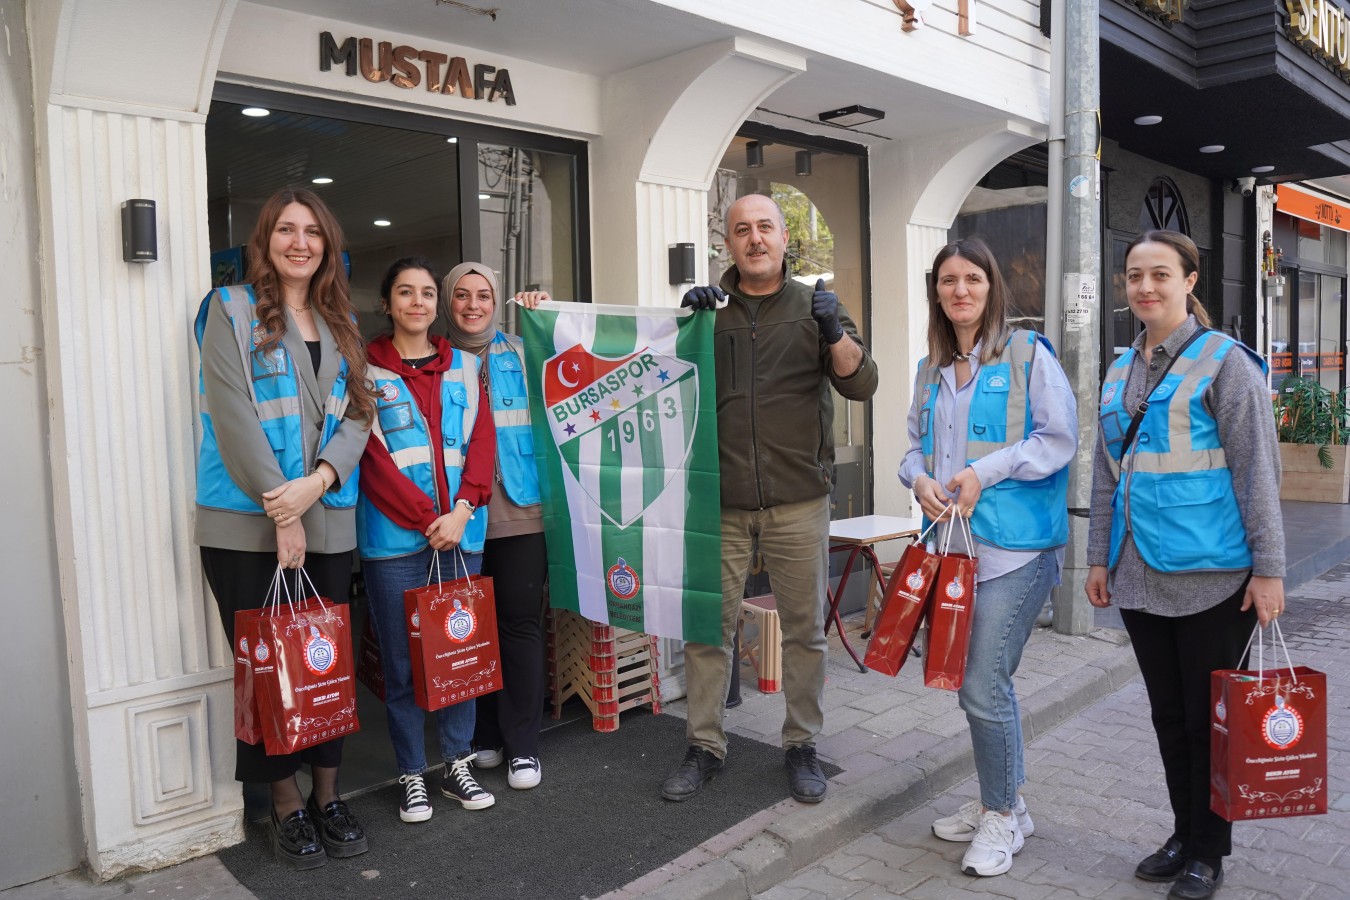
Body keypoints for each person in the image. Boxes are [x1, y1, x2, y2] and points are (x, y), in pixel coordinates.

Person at [1086, 230, 1285, 900]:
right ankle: (1182, 831)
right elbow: (1106, 474)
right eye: (1134, 276)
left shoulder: (1226, 364)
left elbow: (1260, 471)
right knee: (1169, 717)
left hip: (1213, 578)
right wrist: (1097, 558)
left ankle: (1210, 849)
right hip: (1140, 576)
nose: (1145, 287)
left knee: (1212, 722)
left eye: (1160, 275)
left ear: (1190, 280)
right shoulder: (1121, 368)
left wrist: (1269, 570)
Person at [664, 193, 879, 804]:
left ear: (786, 239)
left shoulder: (816, 307)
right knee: (710, 630)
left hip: (798, 501)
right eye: (741, 231)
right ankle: (704, 746)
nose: (754, 239)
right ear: (726, 244)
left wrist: (834, 329)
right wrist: (685, 327)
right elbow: (667, 389)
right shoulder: (709, 313)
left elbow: (861, 382)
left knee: (807, 631)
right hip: (721, 503)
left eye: (765, 228)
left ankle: (801, 744)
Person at [194, 187, 374, 868]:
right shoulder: (229, 310)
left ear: (328, 246)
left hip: (327, 518)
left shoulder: (341, 320)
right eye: (286, 230)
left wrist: (319, 484)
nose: (300, 242)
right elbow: (234, 414)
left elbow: (361, 412)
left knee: (326, 665)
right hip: (245, 525)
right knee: (269, 669)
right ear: (264, 240)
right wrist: (283, 511)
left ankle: (329, 794)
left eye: (313, 233)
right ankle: (286, 804)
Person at [897, 237, 1077, 877]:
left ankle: (1001, 816)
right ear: (936, 292)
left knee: (980, 685)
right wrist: (916, 479)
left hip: (1016, 553)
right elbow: (914, 448)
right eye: (948, 280)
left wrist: (984, 471)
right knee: (977, 685)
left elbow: (1058, 439)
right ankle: (1005, 803)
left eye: (972, 278)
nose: (960, 290)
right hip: (953, 551)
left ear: (991, 286)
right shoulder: (929, 368)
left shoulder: (1028, 353)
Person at [356, 256, 498, 822]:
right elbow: (369, 458)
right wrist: (426, 518)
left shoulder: (465, 366)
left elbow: (481, 443)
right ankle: (412, 772)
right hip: (396, 542)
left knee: (459, 655)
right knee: (403, 664)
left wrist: (462, 510)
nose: (417, 302)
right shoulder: (361, 370)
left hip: (463, 534)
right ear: (387, 303)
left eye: (426, 294)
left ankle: (456, 764)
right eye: (405, 293)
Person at [441, 262, 550, 791]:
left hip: (523, 509)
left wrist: (544, 319)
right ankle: (482, 733)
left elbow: (568, 369)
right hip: (462, 516)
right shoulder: (436, 358)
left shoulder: (521, 348)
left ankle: (523, 743)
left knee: (519, 624)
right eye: (461, 295)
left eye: (484, 295)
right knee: (469, 630)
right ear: (448, 302)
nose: (473, 305)